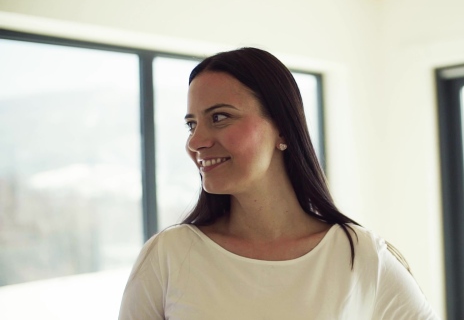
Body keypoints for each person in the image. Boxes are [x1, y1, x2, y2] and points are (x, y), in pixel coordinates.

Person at [118, 47, 439, 319]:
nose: (196, 141)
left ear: (283, 130)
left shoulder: (361, 255)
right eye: (191, 124)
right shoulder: (169, 256)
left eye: (219, 117)